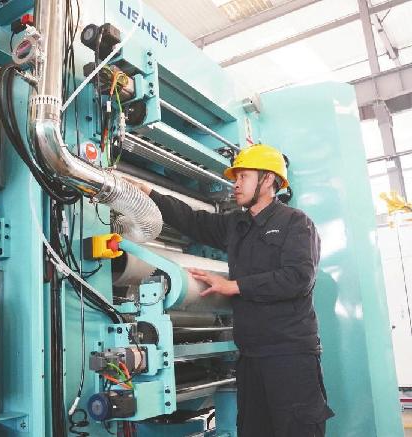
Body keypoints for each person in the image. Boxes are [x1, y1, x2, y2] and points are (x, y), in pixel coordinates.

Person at [130, 144, 334, 437]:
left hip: (289, 354)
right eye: (235, 178)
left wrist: (234, 286)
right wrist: (149, 194)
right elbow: (193, 221)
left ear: (268, 180)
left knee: (297, 430)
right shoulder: (237, 224)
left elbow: (298, 278)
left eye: (243, 177)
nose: (235, 184)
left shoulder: (296, 223)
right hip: (250, 356)